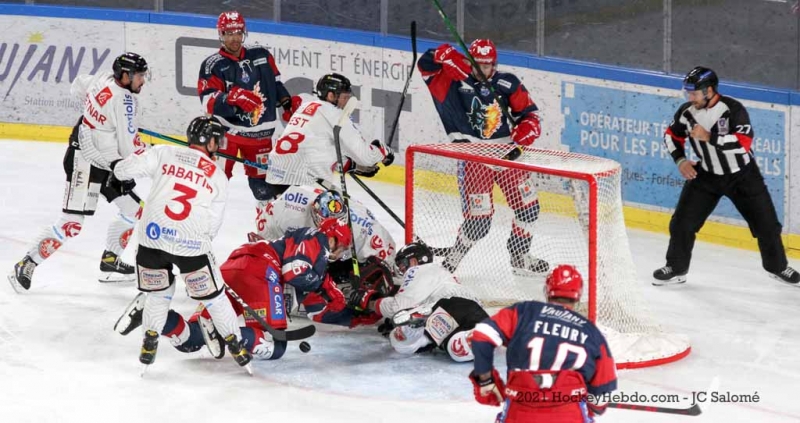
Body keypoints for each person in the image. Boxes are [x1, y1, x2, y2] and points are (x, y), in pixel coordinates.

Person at [111, 115, 251, 371]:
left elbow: (122, 170)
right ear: (208, 141)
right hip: (192, 246)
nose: (218, 146)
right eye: (216, 141)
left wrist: (126, 162)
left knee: (157, 293)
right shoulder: (218, 176)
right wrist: (197, 247)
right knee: (214, 299)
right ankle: (236, 344)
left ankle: (149, 341)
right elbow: (212, 226)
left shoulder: (164, 152)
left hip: (152, 240)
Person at [7, 53, 150, 292]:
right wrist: (145, 150)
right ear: (125, 76)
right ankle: (26, 263)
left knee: (134, 210)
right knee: (72, 222)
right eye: (139, 76)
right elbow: (127, 148)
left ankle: (110, 262)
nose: (142, 81)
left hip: (103, 160)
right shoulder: (124, 102)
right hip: (85, 159)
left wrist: (103, 120)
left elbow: (79, 85)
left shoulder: (103, 78)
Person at [114, 219, 355, 361]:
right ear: (332, 237)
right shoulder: (318, 239)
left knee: (192, 339)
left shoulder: (306, 240)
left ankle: (154, 313)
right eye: (341, 246)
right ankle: (222, 332)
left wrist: (325, 289)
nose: (340, 253)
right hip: (261, 270)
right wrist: (324, 286)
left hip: (232, 266)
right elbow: (294, 272)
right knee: (276, 346)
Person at [654, 66, 799, 286]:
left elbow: (743, 144)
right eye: (688, 93)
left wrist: (708, 136)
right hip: (706, 176)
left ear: (709, 90)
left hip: (743, 176)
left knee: (767, 226)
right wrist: (680, 160)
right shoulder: (686, 113)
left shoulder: (733, 109)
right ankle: (676, 268)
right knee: (682, 224)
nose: (689, 97)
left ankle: (778, 267)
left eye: (693, 93)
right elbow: (671, 136)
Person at [417, 39, 548, 275]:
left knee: (529, 209)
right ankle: (450, 264)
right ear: (468, 61)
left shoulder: (508, 83)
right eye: (476, 64)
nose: (481, 70)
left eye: (486, 65)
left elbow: (529, 114)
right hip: (475, 158)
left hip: (508, 156)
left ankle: (519, 256)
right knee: (479, 223)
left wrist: (529, 127)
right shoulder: (453, 79)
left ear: (494, 64)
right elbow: (425, 64)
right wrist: (443, 55)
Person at [470, 265, 617, 422]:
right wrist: (593, 406)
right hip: (568, 415)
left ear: (547, 291)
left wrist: (486, 380)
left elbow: (481, 335)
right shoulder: (591, 332)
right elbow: (601, 396)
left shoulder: (524, 312)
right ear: (578, 295)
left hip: (520, 413)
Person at [197, 11, 299, 203]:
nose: (234, 38)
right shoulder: (213, 65)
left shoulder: (261, 55)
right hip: (227, 135)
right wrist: (231, 98)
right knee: (212, 185)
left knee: (264, 190)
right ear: (221, 34)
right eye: (228, 33)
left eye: (238, 32)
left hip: (260, 136)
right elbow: (207, 101)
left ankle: (268, 227)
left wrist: (286, 102)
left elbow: (275, 83)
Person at [348, 241, 488, 362]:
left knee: (400, 339)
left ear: (414, 261)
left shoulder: (419, 270)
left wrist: (370, 302)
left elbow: (398, 306)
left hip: (450, 305)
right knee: (456, 349)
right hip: (472, 315)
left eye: (402, 264)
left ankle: (415, 325)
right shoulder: (440, 275)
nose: (402, 269)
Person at [264, 73, 394, 195]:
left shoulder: (305, 106)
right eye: (344, 97)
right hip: (305, 182)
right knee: (341, 213)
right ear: (331, 96)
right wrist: (383, 151)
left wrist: (350, 165)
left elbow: (318, 146)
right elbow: (365, 156)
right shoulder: (337, 116)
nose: (347, 102)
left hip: (275, 176)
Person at [255, 184, 397, 286]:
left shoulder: (362, 223)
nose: (333, 226)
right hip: (301, 245)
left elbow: (386, 254)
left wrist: (380, 276)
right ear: (315, 213)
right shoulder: (288, 207)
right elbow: (265, 232)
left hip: (344, 257)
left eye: (338, 220)